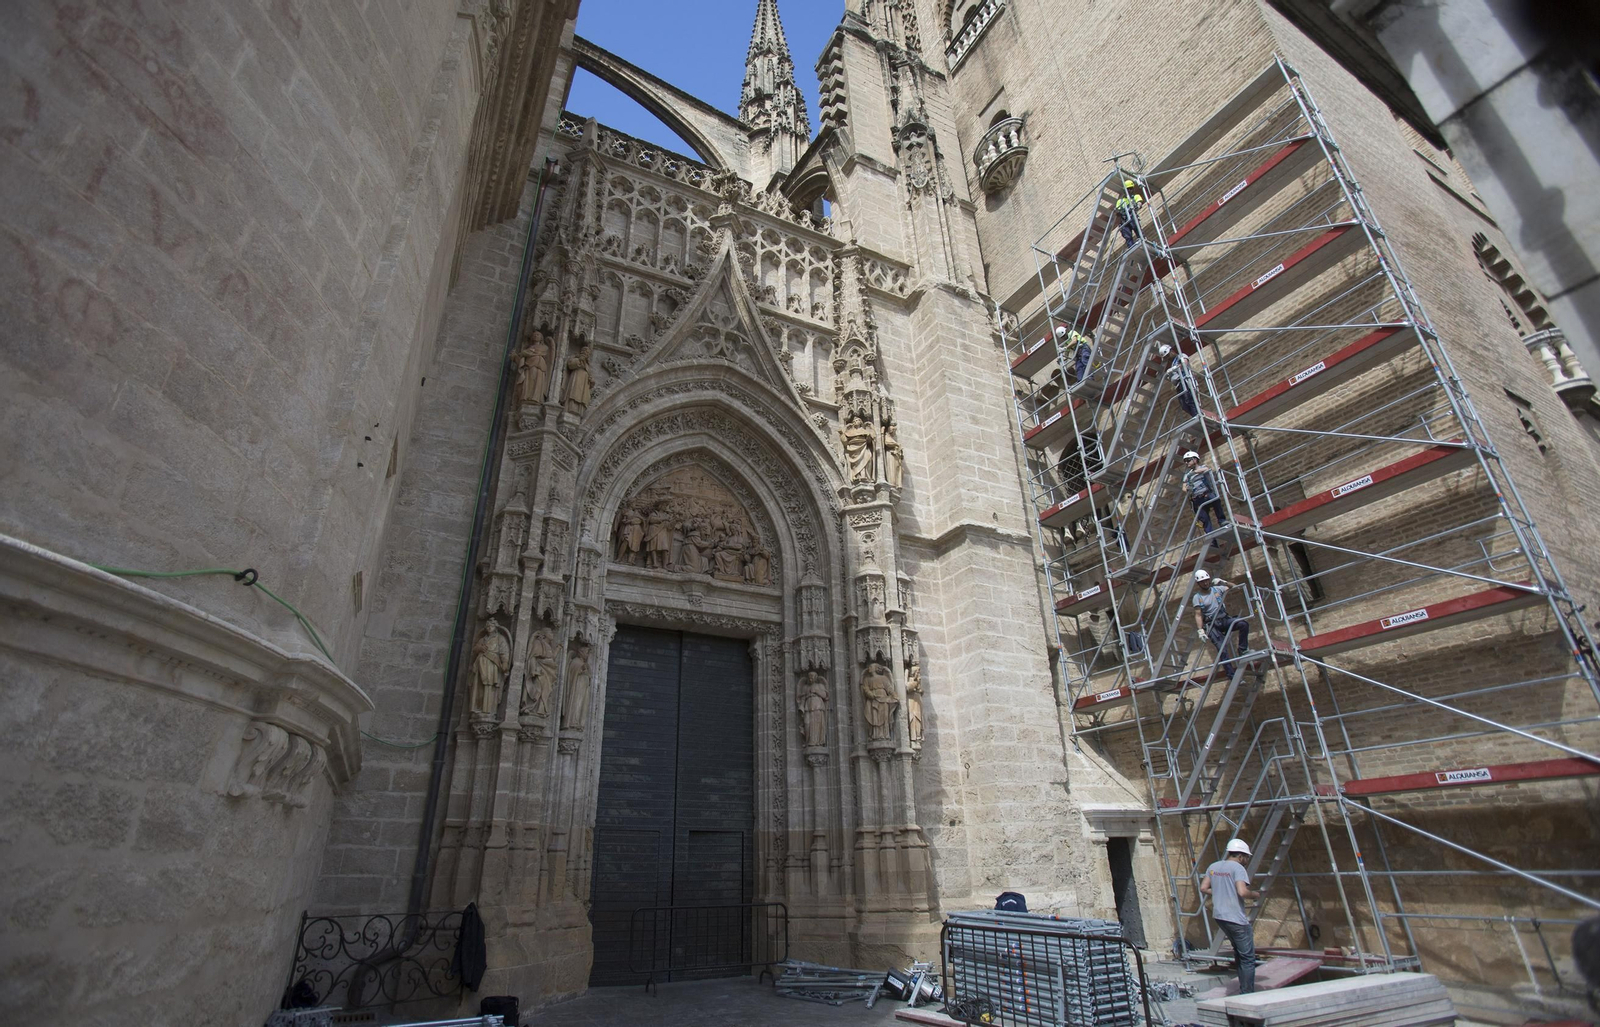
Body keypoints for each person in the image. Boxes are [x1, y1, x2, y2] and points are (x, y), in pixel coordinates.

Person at [1199, 838, 1261, 994]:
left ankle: (1244, 989)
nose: (1246, 860)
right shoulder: (1238, 868)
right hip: (1236, 918)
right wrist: (1255, 894)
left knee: (1239, 954)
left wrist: (1220, 893)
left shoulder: (1213, 866)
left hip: (1220, 916)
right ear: (1240, 856)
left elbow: (1203, 888)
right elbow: (1242, 892)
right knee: (1247, 958)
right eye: (1246, 857)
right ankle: (1247, 993)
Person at [1192, 569, 1251, 678]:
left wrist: (1223, 582)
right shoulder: (1198, 597)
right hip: (1212, 625)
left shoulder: (1217, 589)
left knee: (1243, 624)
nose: (1205, 583)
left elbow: (1235, 587)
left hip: (1223, 619)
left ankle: (1242, 649)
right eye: (1202, 582)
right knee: (1222, 650)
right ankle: (1231, 675)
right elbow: (1198, 614)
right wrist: (1201, 630)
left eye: (1206, 580)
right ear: (1198, 583)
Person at [1181, 449, 1228, 536]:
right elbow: (1183, 487)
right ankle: (1210, 537)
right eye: (1185, 461)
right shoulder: (1187, 475)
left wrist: (1194, 473)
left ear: (1195, 460)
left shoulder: (1203, 468)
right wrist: (1187, 488)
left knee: (1216, 500)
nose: (1186, 463)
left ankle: (1222, 521)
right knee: (1204, 519)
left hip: (1206, 494)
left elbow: (1207, 469)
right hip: (1197, 498)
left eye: (1188, 460)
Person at [1160, 344, 1198, 418]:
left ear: (1172, 351)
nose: (1168, 358)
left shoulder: (1180, 356)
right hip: (1179, 385)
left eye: (1168, 355)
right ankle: (1194, 415)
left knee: (1189, 400)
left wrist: (1175, 368)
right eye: (1166, 357)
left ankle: (1196, 415)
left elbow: (1185, 363)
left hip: (1186, 381)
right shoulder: (1172, 363)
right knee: (1184, 406)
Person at [1115, 179, 1145, 246]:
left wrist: (1137, 206)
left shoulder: (1136, 197)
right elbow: (1117, 211)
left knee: (1136, 227)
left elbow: (1139, 203)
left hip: (1132, 216)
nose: (1130, 190)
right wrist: (1118, 212)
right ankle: (1130, 245)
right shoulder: (1120, 201)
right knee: (1127, 234)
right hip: (1124, 220)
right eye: (1128, 189)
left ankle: (1141, 239)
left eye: (1131, 188)